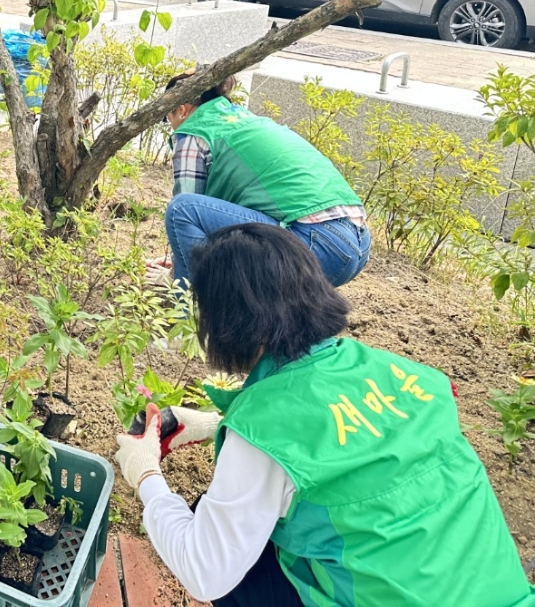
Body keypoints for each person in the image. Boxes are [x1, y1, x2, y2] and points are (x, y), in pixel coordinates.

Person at [115, 223, 535, 607]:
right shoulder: (401, 372)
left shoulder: (263, 431)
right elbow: (351, 428)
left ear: (228, 321)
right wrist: (212, 423)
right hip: (500, 592)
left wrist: (146, 475)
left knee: (232, 560)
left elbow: (206, 572)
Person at [148, 69, 369, 290]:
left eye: (169, 117)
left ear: (181, 109)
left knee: (181, 209)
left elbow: (187, 206)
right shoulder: (239, 119)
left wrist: (180, 275)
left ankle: (187, 315)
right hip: (356, 245)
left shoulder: (194, 132)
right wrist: (183, 256)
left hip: (313, 247)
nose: (172, 125)